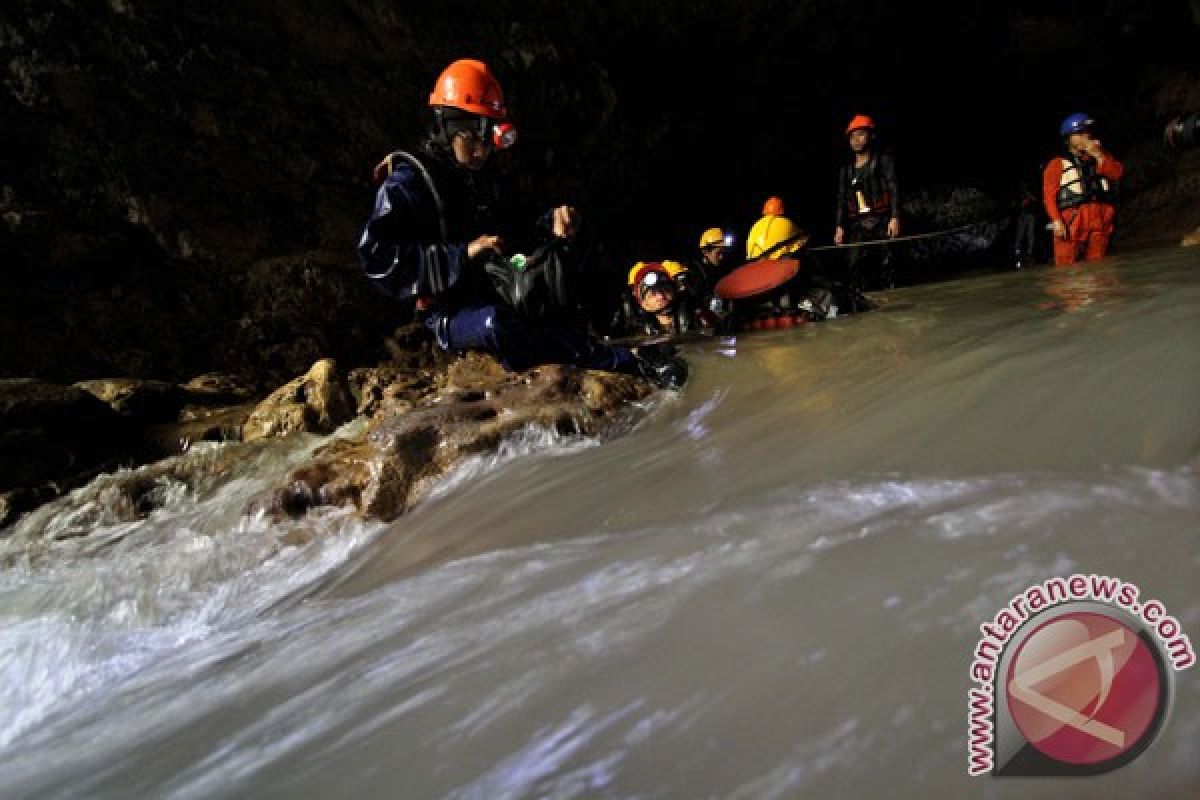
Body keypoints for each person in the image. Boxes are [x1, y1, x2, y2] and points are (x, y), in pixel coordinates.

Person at [357, 59, 686, 388]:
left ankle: (603, 347)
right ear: (446, 126)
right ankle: (627, 364)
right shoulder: (407, 184)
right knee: (496, 324)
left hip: (499, 290)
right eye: (473, 138)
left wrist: (553, 222)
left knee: (562, 264)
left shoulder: (487, 181)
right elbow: (377, 260)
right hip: (450, 311)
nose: (483, 151)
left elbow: (522, 224)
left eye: (488, 140)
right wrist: (462, 254)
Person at [1041, 113, 1124, 266]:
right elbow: (1048, 196)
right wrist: (1056, 220)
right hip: (1072, 218)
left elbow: (1117, 174)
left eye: (1086, 132)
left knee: (1099, 266)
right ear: (1068, 138)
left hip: (1100, 217)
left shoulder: (1101, 156)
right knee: (1066, 267)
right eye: (1079, 133)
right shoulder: (1057, 163)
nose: (1086, 136)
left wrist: (1099, 155)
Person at [833, 115, 901, 288]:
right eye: (852, 136)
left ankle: (894, 298)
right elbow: (841, 199)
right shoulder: (846, 170)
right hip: (858, 223)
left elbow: (893, 188)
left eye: (861, 134)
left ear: (871, 136)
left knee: (888, 263)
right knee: (854, 264)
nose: (856, 140)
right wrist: (839, 226)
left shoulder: (884, 161)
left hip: (882, 220)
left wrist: (895, 218)